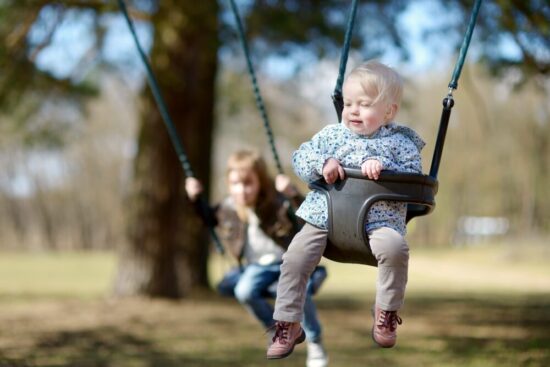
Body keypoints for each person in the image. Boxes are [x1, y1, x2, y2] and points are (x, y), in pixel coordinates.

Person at [266, 60, 425, 360]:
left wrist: (383, 167)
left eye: (364, 104)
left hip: (378, 222)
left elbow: (414, 175)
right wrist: (323, 163)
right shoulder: (330, 135)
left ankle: (386, 311)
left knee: (396, 250)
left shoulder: (400, 144)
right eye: (349, 103)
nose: (353, 110)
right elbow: (301, 156)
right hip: (324, 217)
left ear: (389, 112)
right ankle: (288, 321)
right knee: (295, 257)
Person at [185, 150, 329, 367]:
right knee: (243, 291)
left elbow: (308, 218)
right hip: (256, 268)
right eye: (235, 184)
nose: (241, 190)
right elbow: (207, 218)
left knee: (301, 292)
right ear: (228, 184)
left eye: (248, 183)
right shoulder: (229, 208)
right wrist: (195, 198)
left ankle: (315, 340)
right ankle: (279, 329)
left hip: (287, 264)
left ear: (261, 181)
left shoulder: (278, 203)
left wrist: (292, 194)